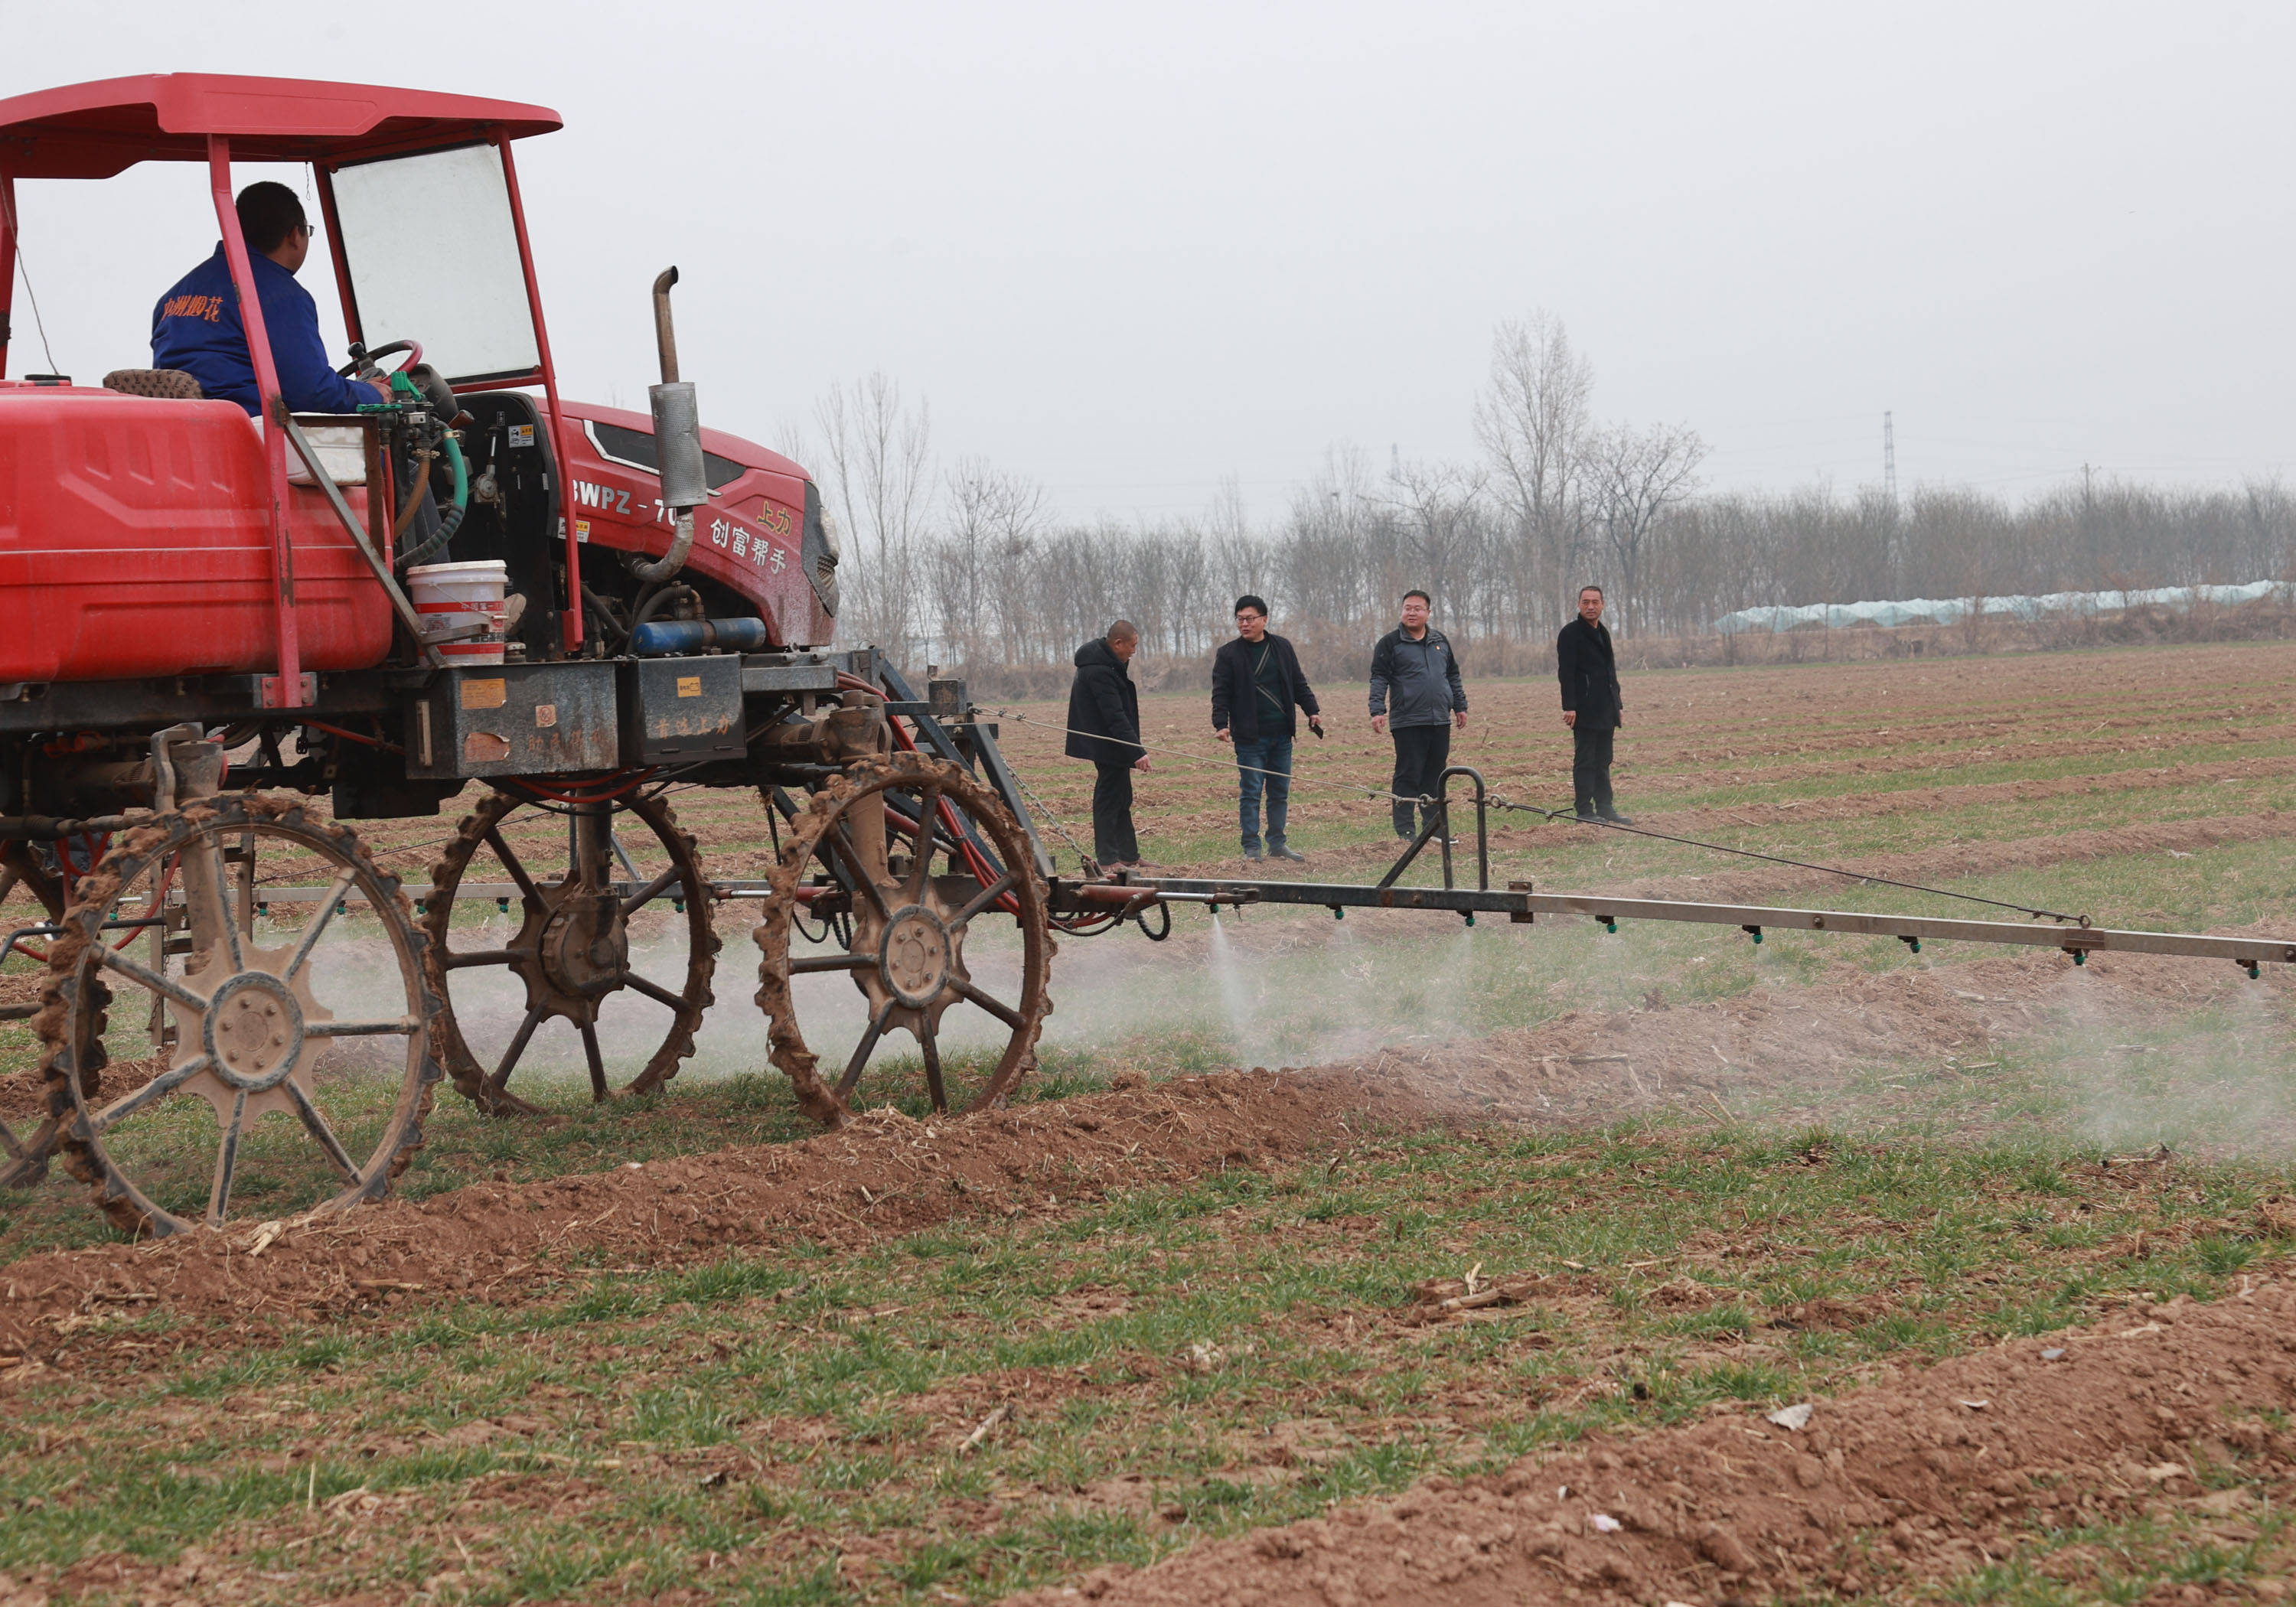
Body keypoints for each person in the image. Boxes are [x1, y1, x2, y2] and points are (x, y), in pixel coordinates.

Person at [152, 181, 388, 416]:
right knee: (382, 450)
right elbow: (312, 392)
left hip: (193, 432)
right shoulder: (280, 295)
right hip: (252, 436)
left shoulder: (173, 298)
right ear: (295, 235)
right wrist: (374, 394)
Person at [1212, 595, 1322, 862]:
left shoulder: (1282, 647)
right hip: (1250, 738)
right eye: (1240, 619)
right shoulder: (1228, 654)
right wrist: (1220, 724)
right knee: (1250, 793)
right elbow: (1220, 692)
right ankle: (1252, 847)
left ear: (1264, 619)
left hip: (1282, 736)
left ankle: (1277, 843)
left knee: (1278, 793)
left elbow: (1298, 683)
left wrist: (1313, 711)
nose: (1244, 624)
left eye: (1249, 619)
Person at [1368, 589, 1467, 840]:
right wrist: (1377, 710)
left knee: (1435, 775)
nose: (1411, 613)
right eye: (1407, 608)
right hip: (1408, 720)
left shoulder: (1440, 641)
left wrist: (1460, 706)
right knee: (1408, 774)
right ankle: (1406, 830)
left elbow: (1452, 675)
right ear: (1402, 611)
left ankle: (1434, 828)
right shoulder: (1390, 643)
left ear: (1428, 613)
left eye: (1417, 608)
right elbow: (1379, 677)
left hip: (1439, 719)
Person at [1065, 620, 1151, 872]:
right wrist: (1137, 752)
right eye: (1132, 646)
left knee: (1123, 797)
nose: (1134, 650)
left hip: (1114, 743)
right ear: (1118, 643)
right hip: (1106, 743)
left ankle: (1129, 855)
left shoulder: (1110, 662)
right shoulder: (1099, 670)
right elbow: (1114, 716)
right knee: (1108, 799)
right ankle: (1107, 859)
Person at [1557, 584, 1632, 823]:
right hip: (1584, 710)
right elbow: (1566, 673)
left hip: (1606, 708)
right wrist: (1569, 706)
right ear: (1579, 604)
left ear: (1602, 605)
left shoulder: (1604, 632)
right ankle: (1585, 812)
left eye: (1595, 602)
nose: (1590, 607)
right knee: (1585, 761)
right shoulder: (1570, 633)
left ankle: (1605, 807)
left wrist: (1617, 704)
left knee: (1603, 760)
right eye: (1586, 602)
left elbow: (1610, 672)